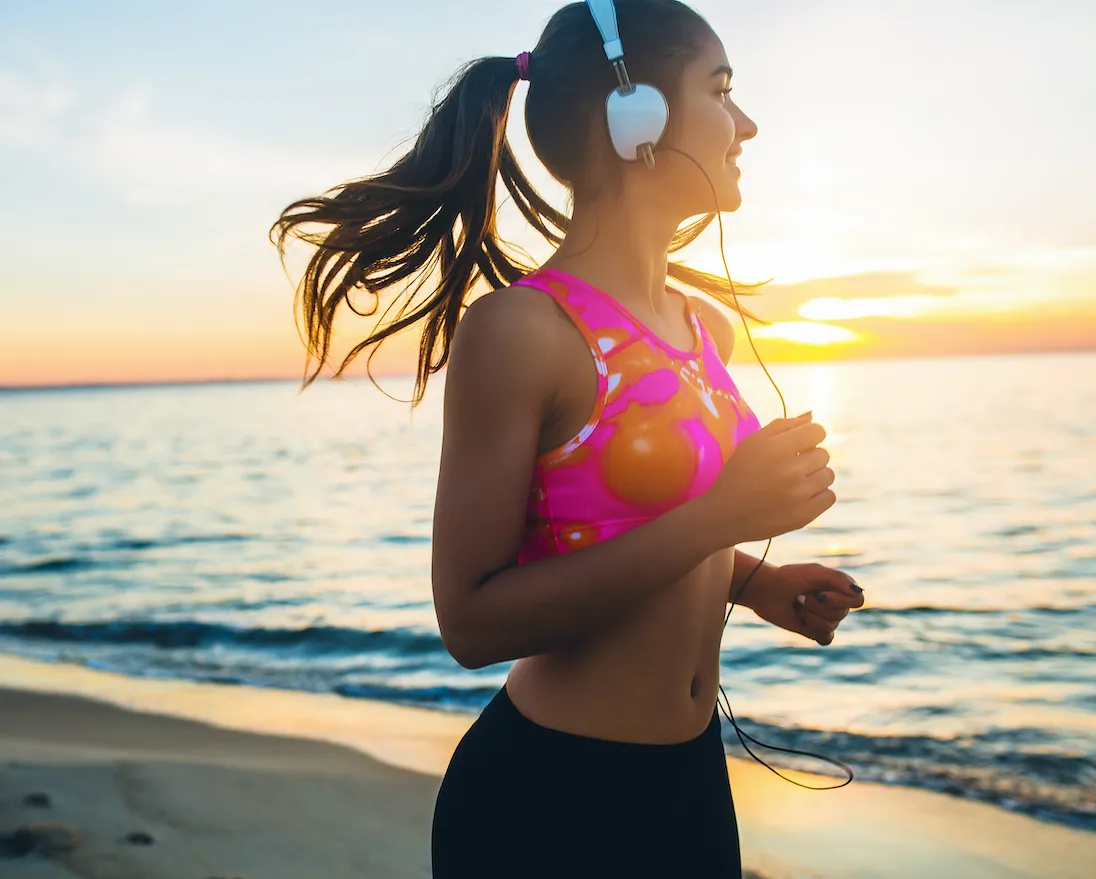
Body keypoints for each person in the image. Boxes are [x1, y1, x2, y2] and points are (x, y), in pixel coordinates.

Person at [271, 1, 866, 875]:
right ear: (640, 118)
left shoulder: (703, 327)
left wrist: (756, 580)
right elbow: (469, 619)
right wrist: (718, 521)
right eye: (723, 90)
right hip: (552, 800)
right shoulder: (523, 331)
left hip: (694, 780)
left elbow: (616, 528)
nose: (746, 123)